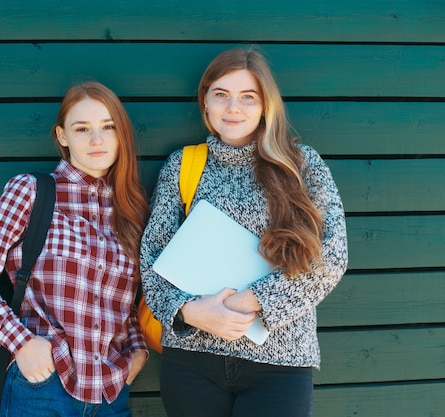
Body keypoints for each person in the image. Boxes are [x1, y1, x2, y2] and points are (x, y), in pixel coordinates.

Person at [140, 47, 348, 417]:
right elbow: (151, 262)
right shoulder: (183, 166)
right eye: (221, 95)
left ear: (266, 105)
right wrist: (191, 312)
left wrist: (246, 302)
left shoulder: (302, 166)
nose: (233, 108)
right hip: (191, 362)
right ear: (205, 101)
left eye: (247, 97)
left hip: (279, 363)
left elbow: (331, 259)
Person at [0, 81, 150, 417]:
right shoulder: (31, 192)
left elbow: (125, 303)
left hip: (110, 393)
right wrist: (22, 343)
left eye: (108, 127)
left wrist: (138, 350)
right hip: (42, 386)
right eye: (82, 128)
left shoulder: (132, 212)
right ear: (62, 136)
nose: (96, 140)